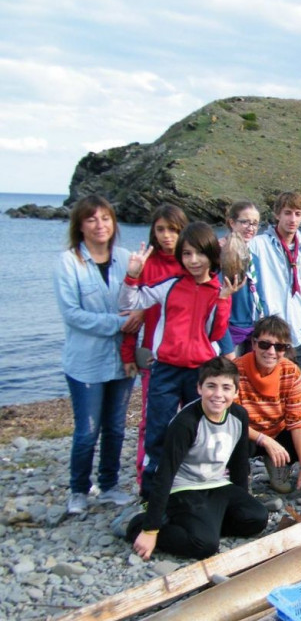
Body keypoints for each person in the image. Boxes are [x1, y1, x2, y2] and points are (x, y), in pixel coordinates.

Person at [120, 221, 238, 500]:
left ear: (212, 255)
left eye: (199, 253)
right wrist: (132, 275)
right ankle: (152, 492)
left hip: (200, 371)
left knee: (203, 429)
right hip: (166, 369)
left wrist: (222, 301)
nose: (193, 260)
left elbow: (216, 333)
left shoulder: (219, 290)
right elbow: (130, 302)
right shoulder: (170, 285)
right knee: (158, 428)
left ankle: (198, 485)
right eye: (186, 254)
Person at [123, 357, 268, 561]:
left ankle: (202, 524)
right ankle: (140, 523)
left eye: (226, 388)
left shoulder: (239, 416)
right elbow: (165, 474)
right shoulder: (186, 422)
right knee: (205, 545)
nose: (218, 394)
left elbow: (238, 461)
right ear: (199, 388)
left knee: (257, 519)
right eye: (211, 386)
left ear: (235, 392)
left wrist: (239, 502)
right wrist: (150, 530)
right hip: (183, 488)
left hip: (216, 483)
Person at [56, 195, 140, 514]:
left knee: (116, 427)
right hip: (86, 363)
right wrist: (119, 322)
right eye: (91, 219)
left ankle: (109, 485)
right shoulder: (68, 262)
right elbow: (72, 314)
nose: (100, 225)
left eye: (105, 218)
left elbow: (137, 300)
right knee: (87, 430)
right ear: (80, 225)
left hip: (121, 360)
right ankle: (78, 489)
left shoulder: (124, 258)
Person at [119, 203, 187, 489]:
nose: (167, 236)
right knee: (151, 420)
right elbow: (131, 315)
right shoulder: (147, 264)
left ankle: (183, 475)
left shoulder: (192, 262)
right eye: (161, 230)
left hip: (187, 354)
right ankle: (145, 476)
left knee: (187, 417)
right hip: (155, 356)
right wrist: (128, 354)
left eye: (173, 230)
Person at [237, 315, 301, 494]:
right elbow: (232, 420)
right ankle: (242, 480)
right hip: (248, 433)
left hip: (277, 430)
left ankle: (280, 463)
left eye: (279, 347)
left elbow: (297, 420)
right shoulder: (236, 370)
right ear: (254, 343)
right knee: (235, 439)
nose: (271, 352)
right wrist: (263, 439)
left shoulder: (290, 371)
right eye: (265, 344)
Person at [250, 192, 301, 371]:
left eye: (297, 214)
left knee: (294, 391)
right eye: (287, 213)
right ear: (277, 214)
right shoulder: (258, 245)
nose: (292, 219)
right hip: (268, 336)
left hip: (296, 335)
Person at [219, 201, 267, 357]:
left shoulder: (254, 259)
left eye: (254, 224)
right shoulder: (218, 255)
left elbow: (259, 295)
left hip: (251, 330)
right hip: (226, 331)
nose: (250, 228)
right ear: (232, 223)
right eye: (245, 222)